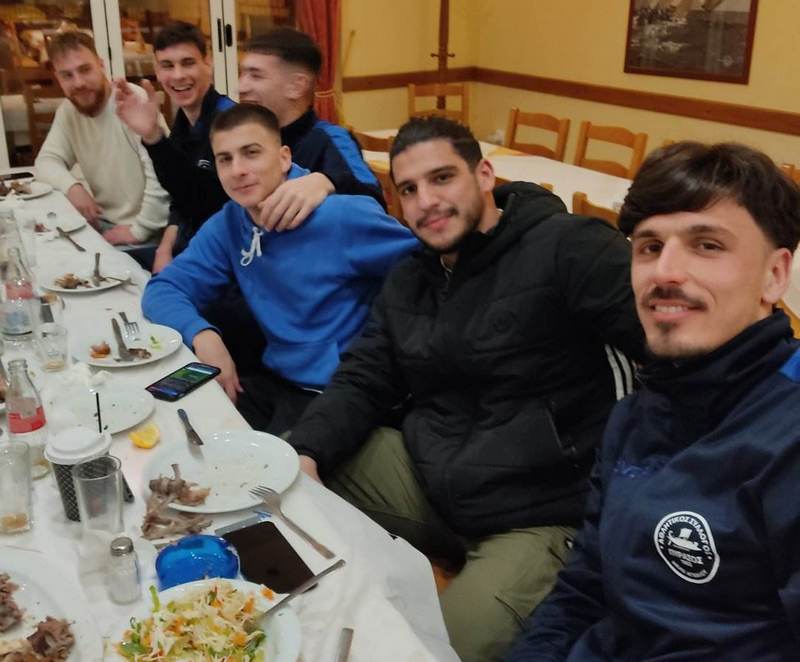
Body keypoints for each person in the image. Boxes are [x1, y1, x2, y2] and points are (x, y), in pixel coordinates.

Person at [285, 116, 646, 662]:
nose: (426, 201)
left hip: (542, 514)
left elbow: (673, 357)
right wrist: (306, 453)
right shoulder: (411, 276)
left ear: (484, 175)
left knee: (431, 651)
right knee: (282, 473)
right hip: (438, 478)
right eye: (409, 189)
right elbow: (365, 375)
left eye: (442, 178)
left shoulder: (568, 248)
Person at [506, 142, 800, 661]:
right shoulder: (637, 413)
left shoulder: (787, 436)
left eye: (707, 245)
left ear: (775, 275)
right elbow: (584, 587)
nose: (665, 272)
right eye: (648, 246)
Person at [141, 104, 419, 434]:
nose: (237, 170)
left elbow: (428, 268)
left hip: (338, 391)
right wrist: (203, 335)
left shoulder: (339, 216)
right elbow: (163, 288)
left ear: (284, 158)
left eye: (251, 153)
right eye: (225, 159)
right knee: (178, 425)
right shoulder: (230, 222)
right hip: (277, 381)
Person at [114, 21, 235, 272]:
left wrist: (154, 138)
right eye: (167, 65)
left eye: (188, 63)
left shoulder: (229, 122)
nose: (178, 75)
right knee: (112, 263)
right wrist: (164, 249)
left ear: (208, 63)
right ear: (157, 71)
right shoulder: (183, 122)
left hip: (222, 259)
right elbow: (179, 202)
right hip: (188, 249)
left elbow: (207, 202)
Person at [239, 27, 385, 230]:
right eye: (242, 74)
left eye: (256, 76)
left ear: (296, 86)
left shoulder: (331, 138)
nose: (241, 87)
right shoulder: (244, 141)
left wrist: (326, 181)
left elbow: (374, 203)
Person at [35, 31, 169, 246]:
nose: (78, 83)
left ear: (101, 65)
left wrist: (140, 230)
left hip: (149, 235)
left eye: (85, 69)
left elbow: (163, 175)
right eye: (67, 75)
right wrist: (72, 187)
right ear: (57, 78)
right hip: (106, 226)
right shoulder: (69, 111)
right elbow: (46, 161)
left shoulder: (130, 100)